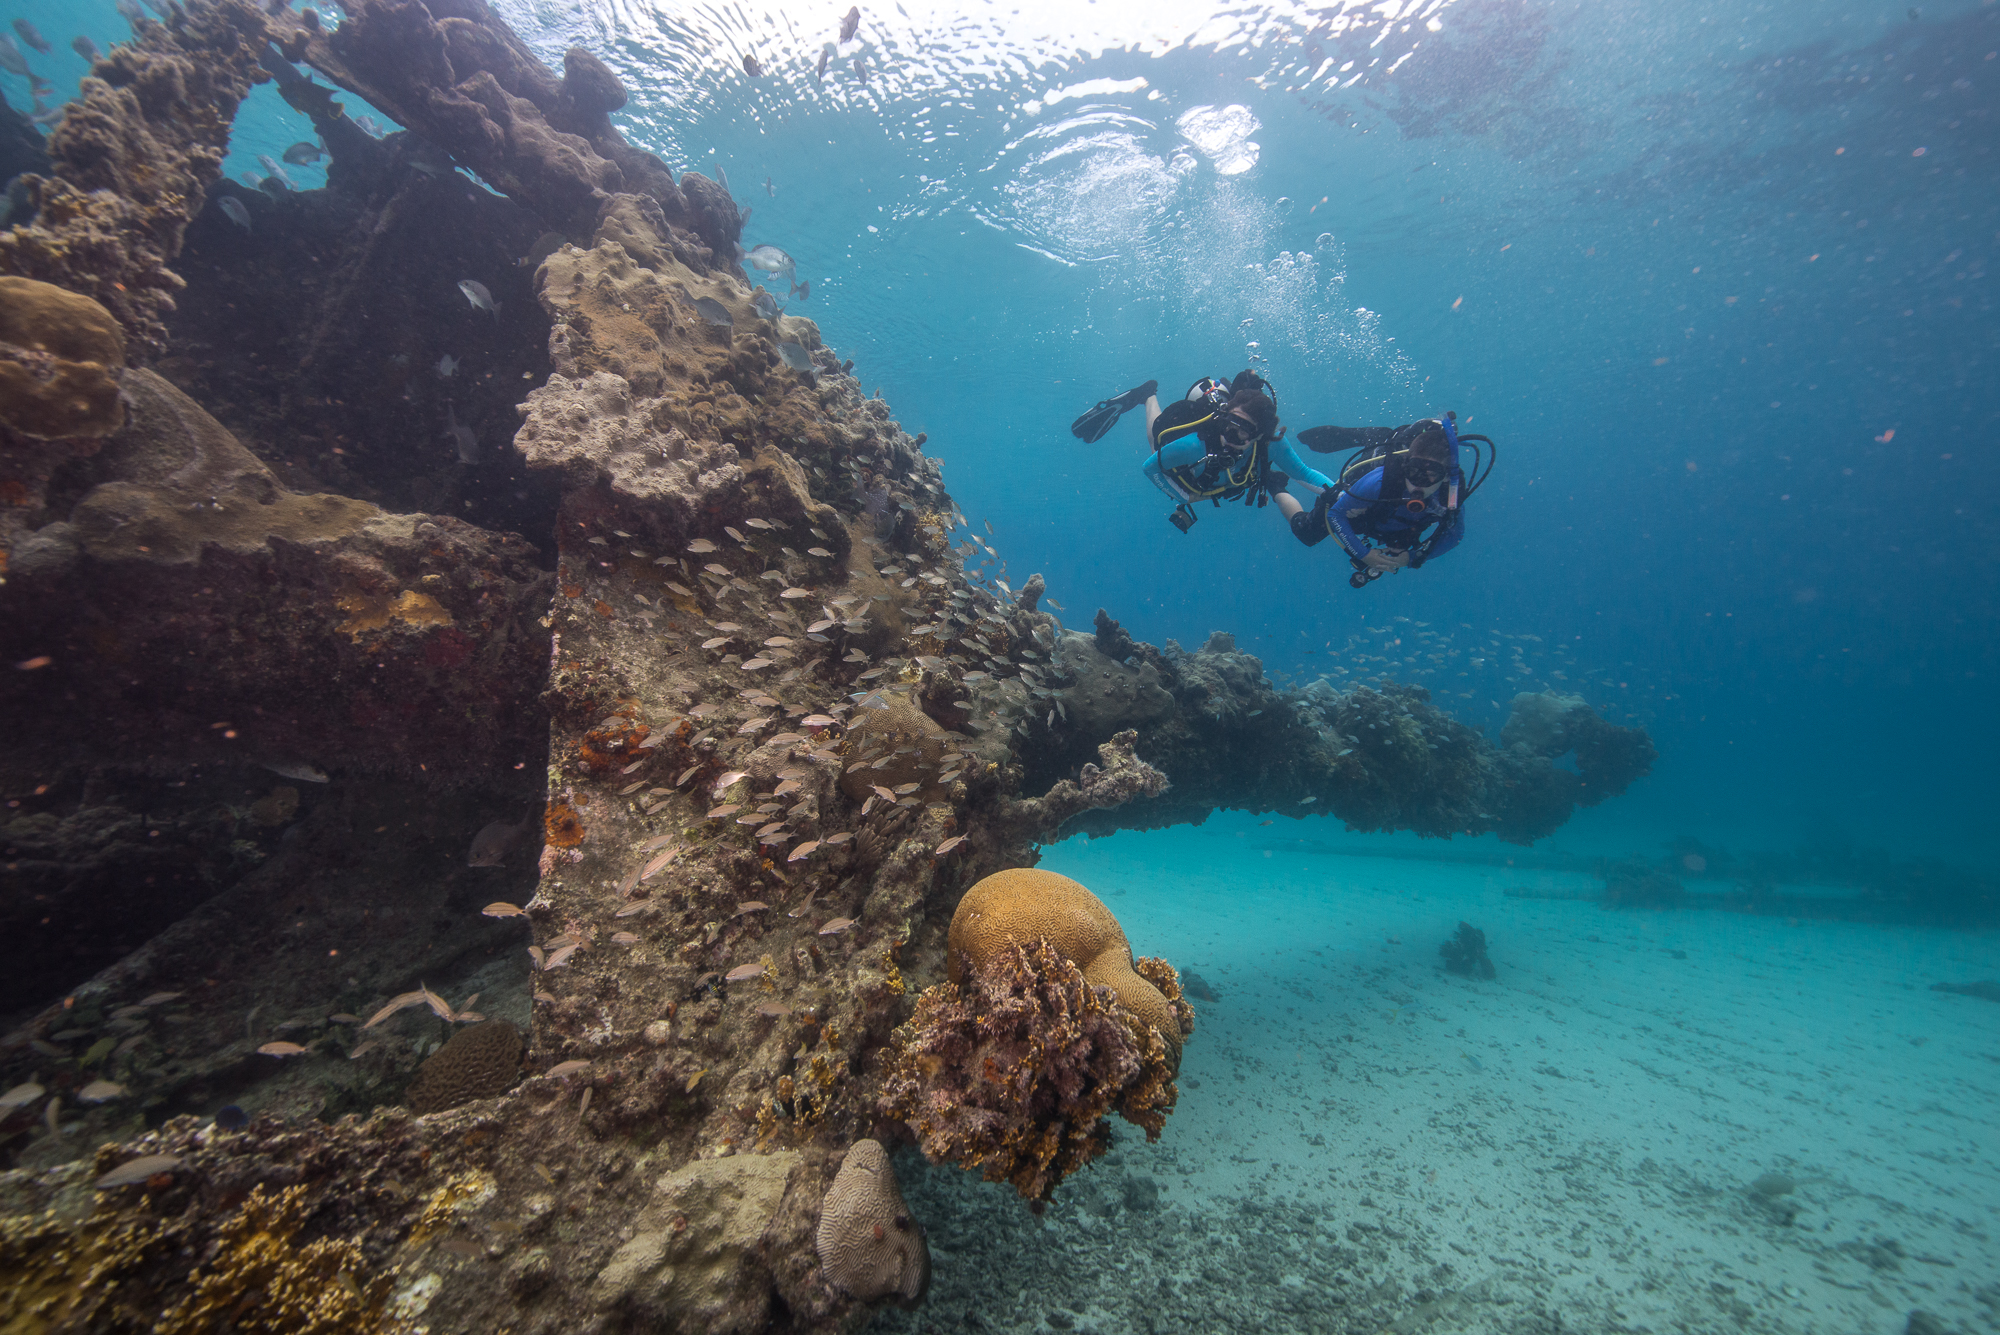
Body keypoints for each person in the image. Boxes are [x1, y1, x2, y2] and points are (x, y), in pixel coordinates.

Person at [1070, 370, 1336, 533]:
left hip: (1219, 481)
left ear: (1258, 436)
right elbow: (1150, 467)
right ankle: (1147, 395)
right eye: (1228, 427)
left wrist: (1341, 493)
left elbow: (1303, 473)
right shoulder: (1194, 444)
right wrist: (1185, 495)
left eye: (1241, 432)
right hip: (1190, 474)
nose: (1228, 438)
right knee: (1157, 445)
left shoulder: (1270, 444)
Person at [1272, 416, 1469, 588]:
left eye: (1431, 476)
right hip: (1368, 506)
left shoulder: (1450, 497)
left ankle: (1385, 438)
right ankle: (1273, 484)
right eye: (1413, 472)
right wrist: (1363, 553)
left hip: (1393, 522)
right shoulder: (1380, 480)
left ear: (1445, 478)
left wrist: (1410, 558)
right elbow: (1336, 514)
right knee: (1306, 533)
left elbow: (1455, 534)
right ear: (1404, 466)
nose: (1419, 484)